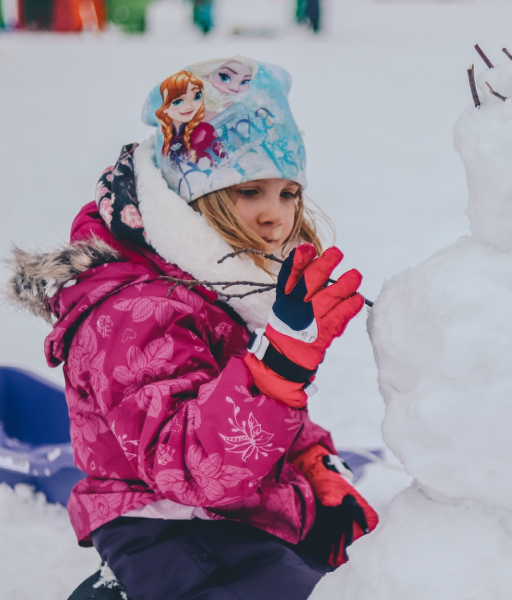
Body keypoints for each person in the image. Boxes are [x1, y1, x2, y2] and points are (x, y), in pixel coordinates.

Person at [7, 57, 377, 600]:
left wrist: (312, 459)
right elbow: (187, 468)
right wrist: (277, 371)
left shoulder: (217, 281)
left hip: (237, 513)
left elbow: (232, 395)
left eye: (288, 192)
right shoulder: (132, 312)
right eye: (249, 191)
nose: (277, 215)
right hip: (170, 531)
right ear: (191, 197)